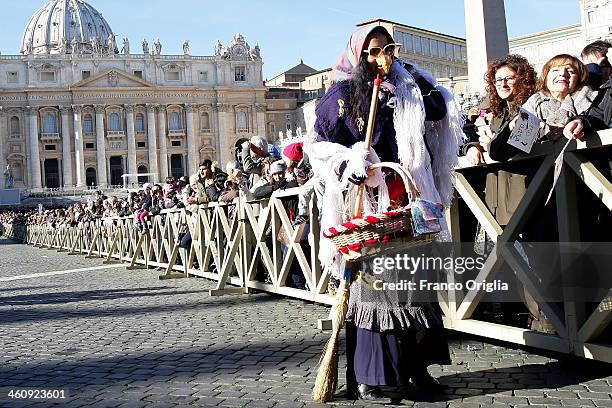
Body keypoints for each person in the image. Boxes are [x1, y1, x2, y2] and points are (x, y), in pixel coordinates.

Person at [310, 24, 462, 402]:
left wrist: (417, 81)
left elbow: (439, 113)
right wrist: (349, 160)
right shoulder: (340, 95)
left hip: (410, 195)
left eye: (389, 49)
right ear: (358, 55)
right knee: (378, 290)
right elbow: (317, 147)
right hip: (368, 203)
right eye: (373, 51)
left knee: (415, 288)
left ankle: (416, 369)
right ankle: (374, 376)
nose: (383, 57)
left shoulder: (409, 85)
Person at [490, 54, 596, 161]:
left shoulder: (595, 99)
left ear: (579, 78)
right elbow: (500, 154)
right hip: (546, 176)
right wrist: (511, 129)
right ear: (546, 77)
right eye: (555, 70)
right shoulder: (534, 106)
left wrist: (582, 124)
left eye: (570, 71)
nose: (563, 74)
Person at [462, 54, 537, 165]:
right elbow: (460, 140)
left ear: (524, 80)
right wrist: (472, 147)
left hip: (529, 178)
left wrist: (490, 144)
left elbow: (502, 152)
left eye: (509, 79)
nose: (503, 84)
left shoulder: (532, 109)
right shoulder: (499, 112)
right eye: (498, 80)